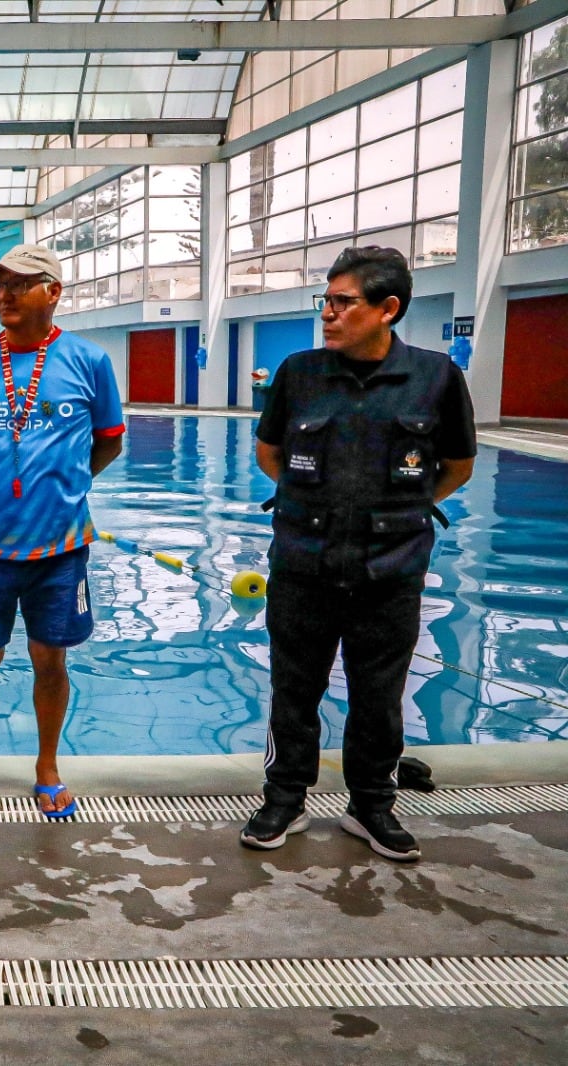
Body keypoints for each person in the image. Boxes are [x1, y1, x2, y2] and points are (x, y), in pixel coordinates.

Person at [240, 246, 475, 862]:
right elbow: (270, 456)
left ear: (387, 309)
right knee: (294, 689)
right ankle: (284, 797)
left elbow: (457, 466)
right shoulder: (300, 372)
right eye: (327, 300)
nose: (328, 313)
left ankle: (372, 806)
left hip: (390, 571)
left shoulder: (435, 378)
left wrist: (394, 514)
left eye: (343, 302)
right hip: (303, 563)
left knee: (380, 694)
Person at [0, 245, 125, 817]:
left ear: (53, 291)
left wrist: (63, 484)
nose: (5, 294)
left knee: (51, 660)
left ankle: (47, 768)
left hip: (60, 550)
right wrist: (5, 483)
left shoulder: (89, 362)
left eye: (20, 283)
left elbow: (109, 439)